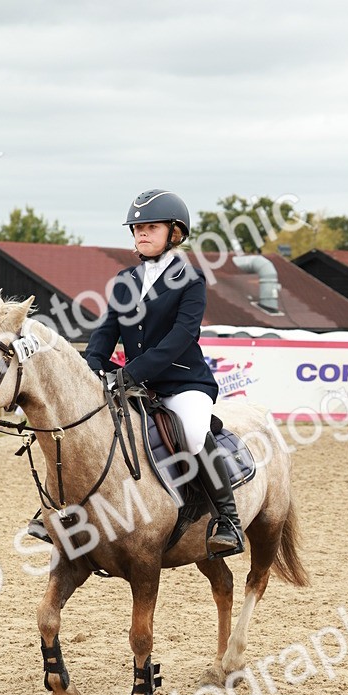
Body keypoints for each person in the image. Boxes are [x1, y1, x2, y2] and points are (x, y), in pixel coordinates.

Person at [83, 189, 244, 558]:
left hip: (183, 383)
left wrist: (131, 372)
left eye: (151, 227)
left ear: (175, 232)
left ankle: (228, 519)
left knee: (192, 430)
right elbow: (107, 331)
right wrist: (92, 366)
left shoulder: (191, 280)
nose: (141, 233)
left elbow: (181, 337)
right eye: (137, 227)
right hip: (135, 382)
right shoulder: (125, 280)